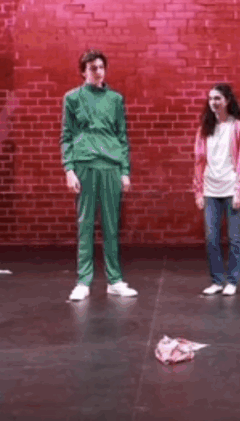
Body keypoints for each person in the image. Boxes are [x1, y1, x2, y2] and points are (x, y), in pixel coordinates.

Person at [61, 49, 138, 301]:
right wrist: (69, 169)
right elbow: (66, 136)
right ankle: (83, 281)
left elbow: (122, 136)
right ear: (83, 71)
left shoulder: (115, 99)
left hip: (111, 166)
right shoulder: (72, 98)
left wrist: (124, 171)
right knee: (85, 223)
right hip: (84, 164)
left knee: (111, 224)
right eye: (92, 68)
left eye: (101, 67)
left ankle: (114, 280)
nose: (98, 72)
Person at [193, 84, 240, 296]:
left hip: (231, 188)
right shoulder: (205, 128)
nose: (213, 102)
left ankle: (232, 281)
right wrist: (198, 191)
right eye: (210, 99)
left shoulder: (239, 128)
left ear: (227, 100)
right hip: (210, 189)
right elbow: (198, 161)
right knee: (211, 237)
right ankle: (217, 281)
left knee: (234, 237)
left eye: (217, 98)